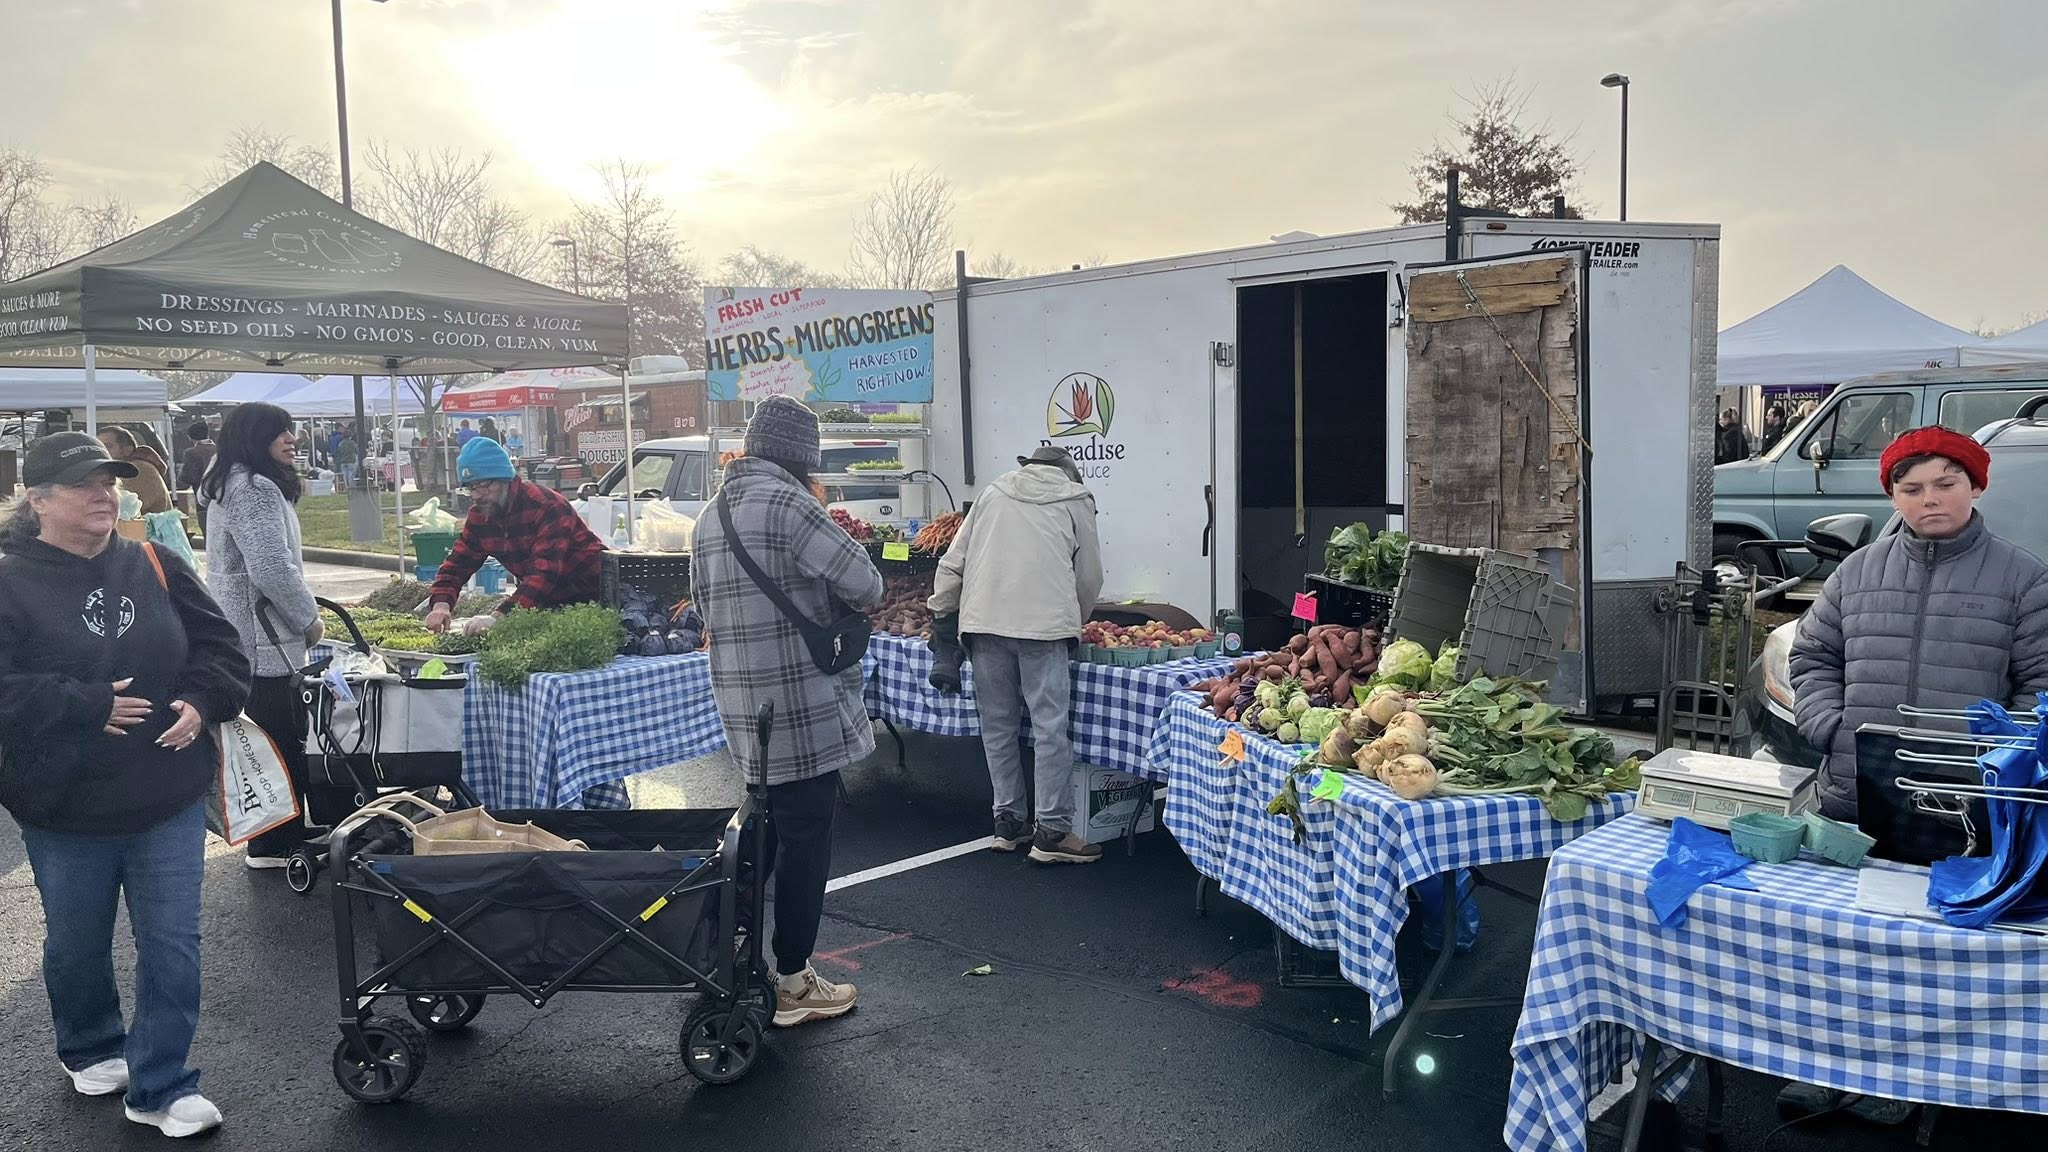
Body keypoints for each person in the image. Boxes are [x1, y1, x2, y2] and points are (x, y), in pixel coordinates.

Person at [1786, 424, 2048, 1124]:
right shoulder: (1856, 572)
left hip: (1965, 812)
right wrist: (1831, 730)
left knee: (1932, 955)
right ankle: (1826, 1068)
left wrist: (1998, 761)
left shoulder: (2023, 578)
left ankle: (1909, 1084)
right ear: (1893, 495)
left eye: (1946, 483)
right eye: (1911, 488)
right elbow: (1811, 658)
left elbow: (2042, 690)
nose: (1929, 499)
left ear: (1976, 485)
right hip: (1856, 797)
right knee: (1842, 943)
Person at [0, 432, 250, 1138]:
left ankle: (162, 1084)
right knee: (76, 945)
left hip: (163, 795)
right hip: (64, 807)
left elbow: (222, 648)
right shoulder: (9, 582)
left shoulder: (154, 562)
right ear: (39, 500)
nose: (103, 494)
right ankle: (90, 1042)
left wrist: (204, 701)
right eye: (84, 484)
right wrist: (85, 703)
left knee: (173, 944)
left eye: (110, 481)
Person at [691, 396, 883, 1028]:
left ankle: (731, 956)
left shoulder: (711, 514)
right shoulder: (790, 503)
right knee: (807, 841)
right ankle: (795, 981)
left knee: (761, 834)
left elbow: (700, 605)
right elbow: (867, 584)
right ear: (804, 457)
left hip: (744, 706)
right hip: (801, 703)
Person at [928, 444, 1105, 863]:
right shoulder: (1076, 500)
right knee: (1049, 729)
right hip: (1044, 630)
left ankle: (1007, 823)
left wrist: (942, 612)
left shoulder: (993, 492)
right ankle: (1052, 833)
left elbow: (954, 562)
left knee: (998, 727)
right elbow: (1089, 576)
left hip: (984, 623)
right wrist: (1072, 620)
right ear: (1068, 472)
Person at [201, 403, 329, 870]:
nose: (291, 438)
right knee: (276, 739)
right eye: (280, 431)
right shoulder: (251, 488)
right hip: (262, 636)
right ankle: (276, 843)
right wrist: (308, 619)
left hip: (253, 633)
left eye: (291, 429)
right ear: (256, 437)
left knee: (271, 738)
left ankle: (284, 830)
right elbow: (272, 568)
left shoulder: (232, 482)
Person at [423, 436, 607, 632]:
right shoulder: (480, 516)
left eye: (483, 486)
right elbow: (458, 563)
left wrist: (499, 617)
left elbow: (544, 574)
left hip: (595, 597)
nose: (476, 495)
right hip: (545, 603)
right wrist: (441, 605)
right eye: (470, 488)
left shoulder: (546, 506)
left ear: (505, 479)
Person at [99, 427, 173, 514]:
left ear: (127, 450)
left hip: (150, 527)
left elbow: (123, 507)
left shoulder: (138, 469)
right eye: (99, 446)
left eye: (108, 446)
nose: (102, 450)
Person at [177, 422, 215, 493]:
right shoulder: (220, 450)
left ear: (189, 437)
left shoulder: (191, 453)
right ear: (208, 435)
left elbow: (188, 477)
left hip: (202, 493)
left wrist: (180, 472)